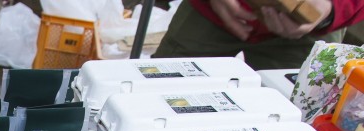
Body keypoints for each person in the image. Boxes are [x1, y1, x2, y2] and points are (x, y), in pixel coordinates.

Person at [154, 0, 364, 70]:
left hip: (312, 24)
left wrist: (334, 8)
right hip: (211, 12)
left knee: (299, 128)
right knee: (158, 94)